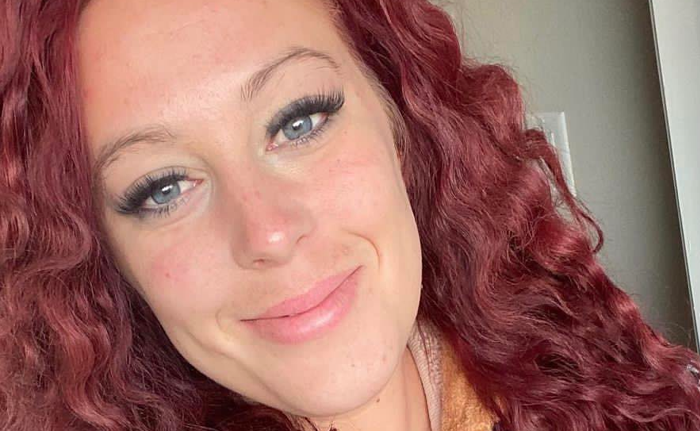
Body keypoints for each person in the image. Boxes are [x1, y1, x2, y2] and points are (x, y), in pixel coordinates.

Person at [1, 0, 699, 430]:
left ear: (399, 119)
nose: (270, 233)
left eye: (298, 121)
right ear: (110, 259)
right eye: (162, 188)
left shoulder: (585, 365)